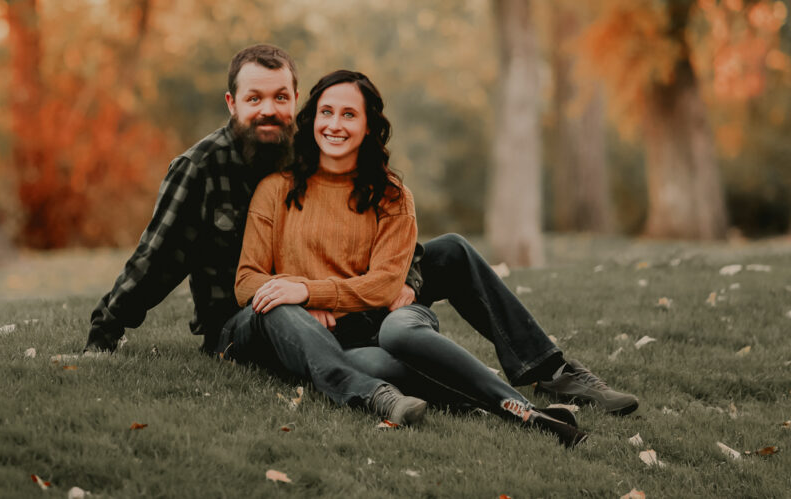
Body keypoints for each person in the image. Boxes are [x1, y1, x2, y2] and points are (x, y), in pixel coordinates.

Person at [84, 43, 638, 417]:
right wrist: (104, 333)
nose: (269, 110)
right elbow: (156, 259)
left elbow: (378, 231)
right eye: (254, 99)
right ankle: (420, 395)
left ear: (296, 101)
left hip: (333, 304)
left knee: (450, 251)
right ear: (232, 103)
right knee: (369, 356)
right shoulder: (201, 169)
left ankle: (550, 370)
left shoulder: (310, 147)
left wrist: (408, 280)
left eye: (281, 98)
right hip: (247, 319)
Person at [227, 70, 586, 446]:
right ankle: (488, 404)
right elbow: (248, 280)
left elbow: (384, 285)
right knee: (336, 341)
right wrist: (301, 300)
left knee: (386, 347)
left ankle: (522, 409)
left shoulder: (392, 196)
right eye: (326, 112)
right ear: (312, 119)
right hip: (307, 335)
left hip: (363, 328)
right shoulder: (275, 189)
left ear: (369, 127)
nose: (335, 124)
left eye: (349, 114)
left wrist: (306, 291)